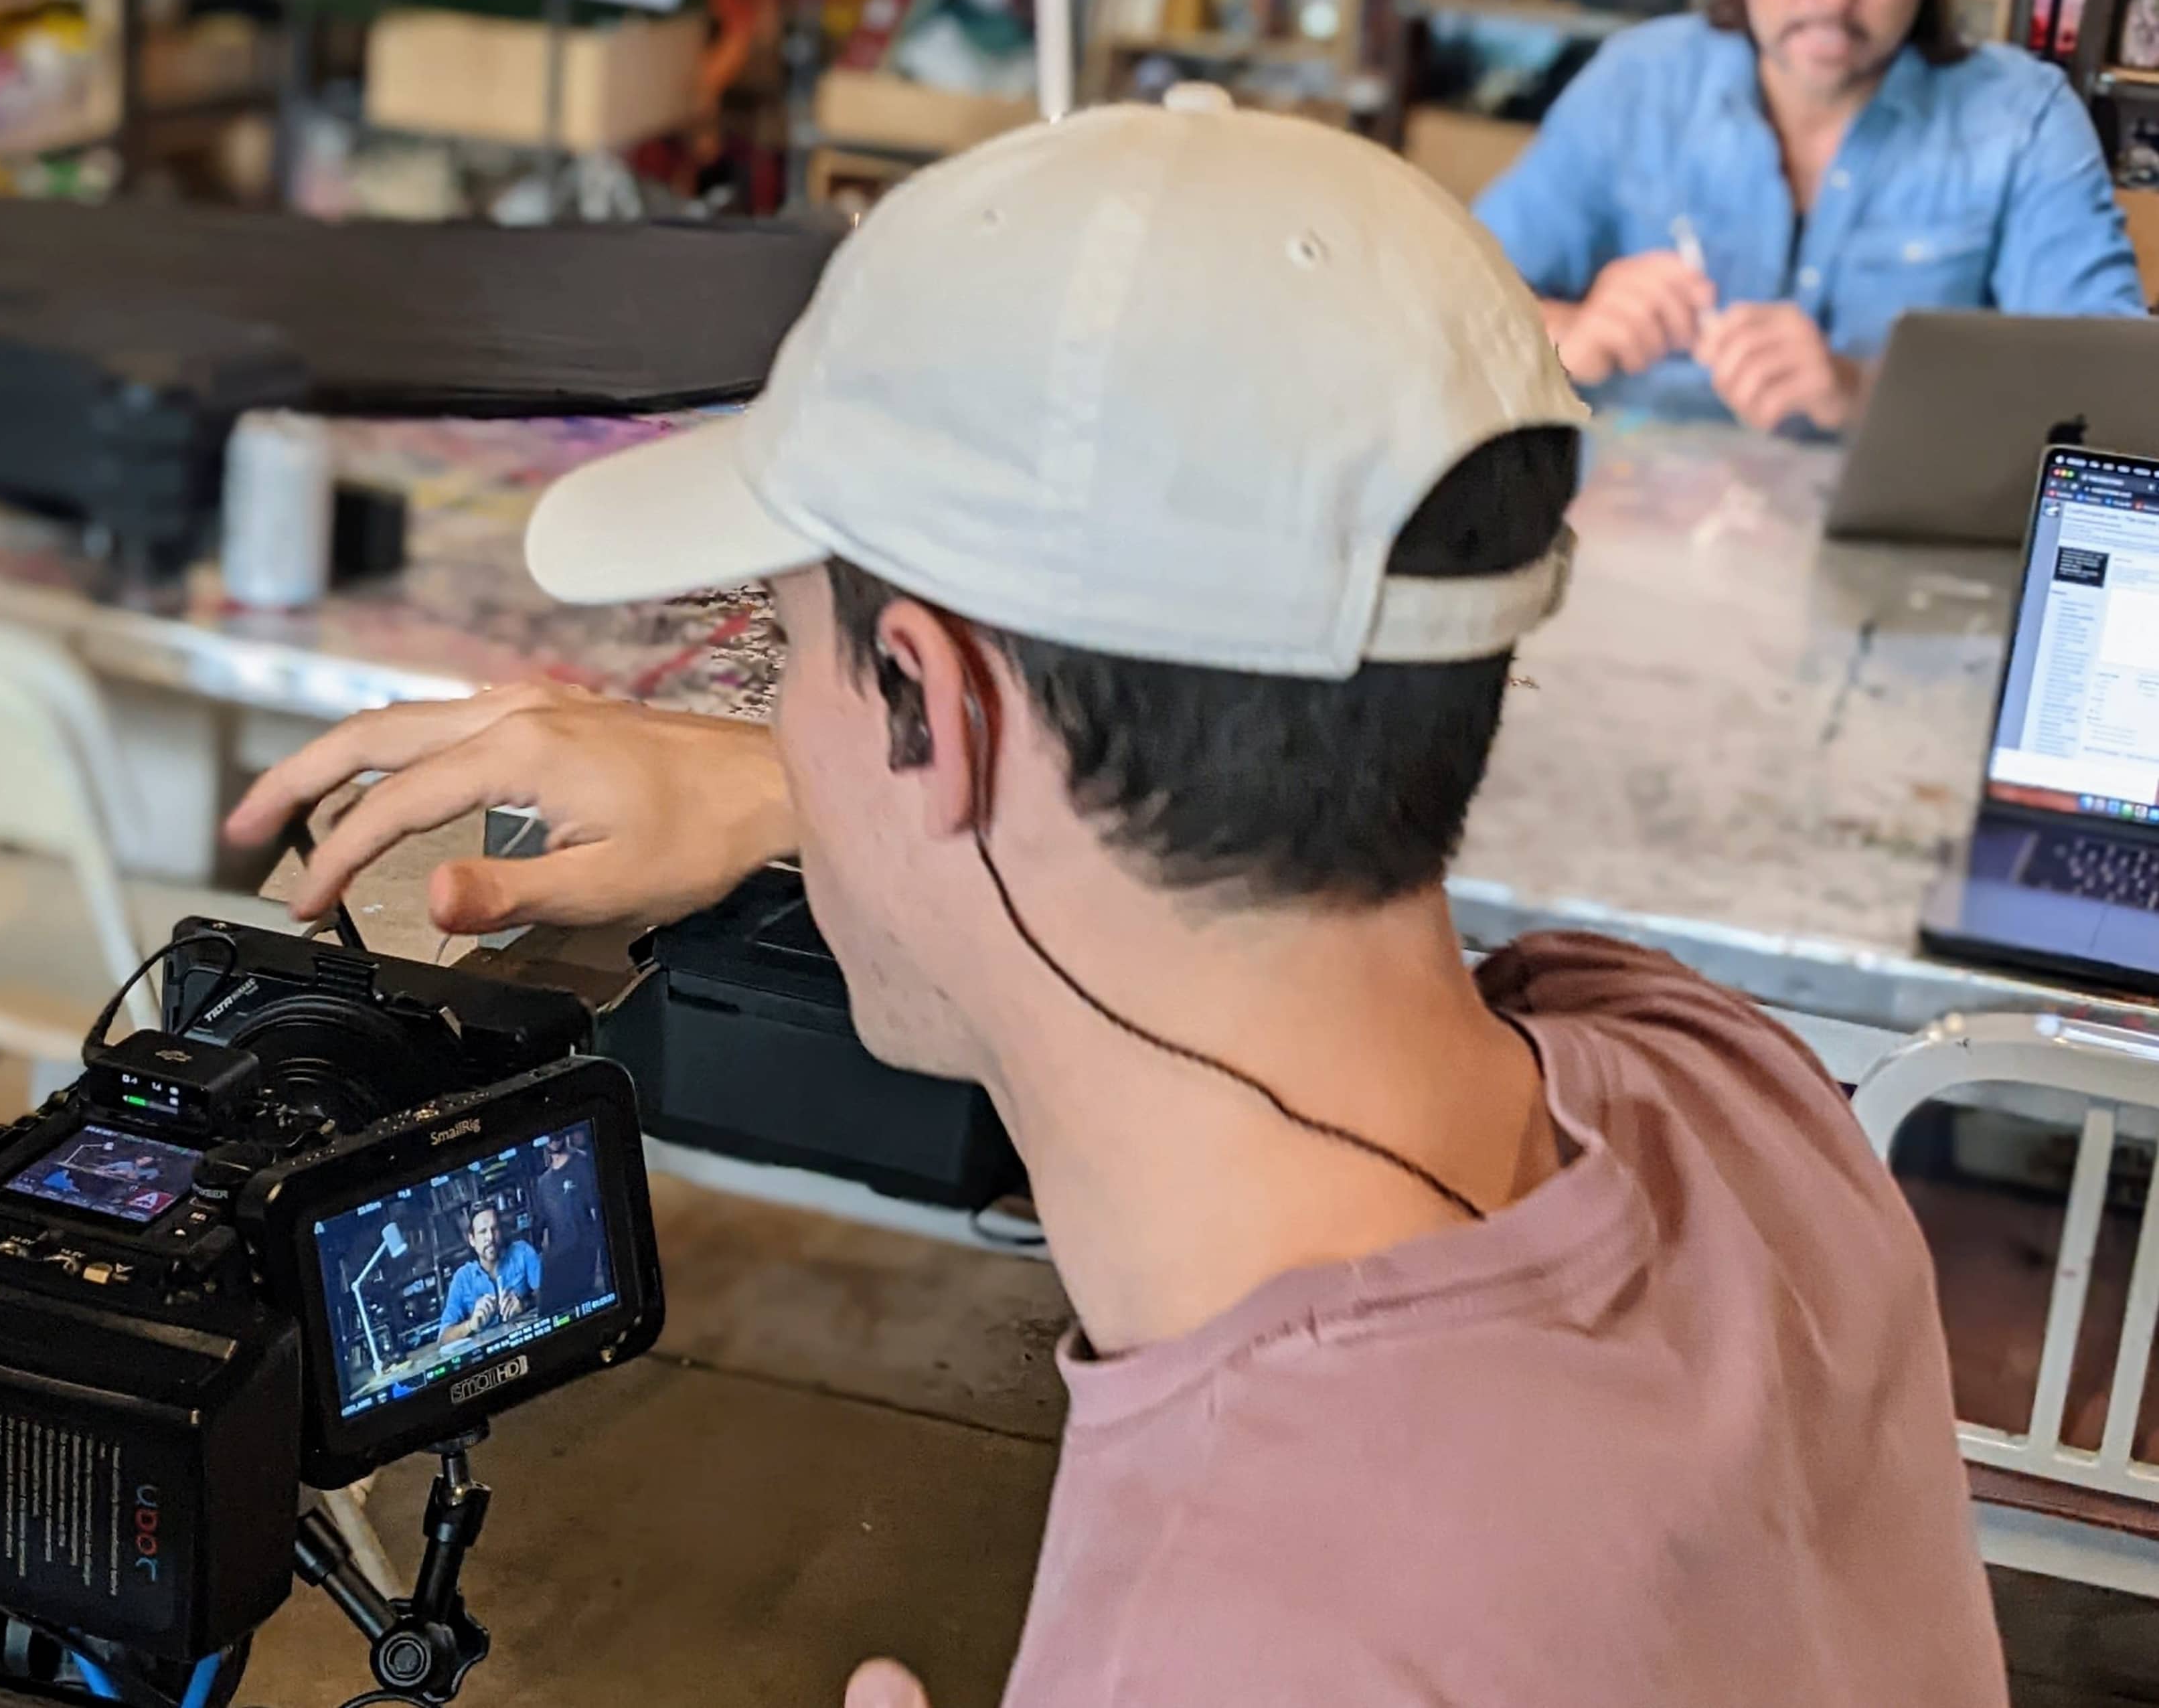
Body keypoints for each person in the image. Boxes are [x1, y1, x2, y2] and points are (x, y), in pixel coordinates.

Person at [228, 94, 2000, 1707]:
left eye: (783, 652)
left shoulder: (1223, 1634)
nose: (771, 713)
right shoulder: (1729, 1084)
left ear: (943, 711)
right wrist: (809, 780)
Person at [1476, 0, 2144, 432]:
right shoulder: (1638, 82)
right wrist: (1569, 334)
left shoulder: (2023, 119)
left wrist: (1866, 392)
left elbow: (2114, 395)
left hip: (1893, 531)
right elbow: (1447, 303)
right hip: (1631, 514)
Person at [438, 1205, 540, 1347]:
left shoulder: (523, 1252)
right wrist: (471, 1325)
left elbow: (552, 1294)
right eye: (483, 1232)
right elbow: (443, 1338)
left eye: (495, 1229)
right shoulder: (462, 1279)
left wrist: (525, 1304)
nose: (490, 1238)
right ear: (472, 1240)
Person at [532, 1132, 603, 1314]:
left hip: (588, 1264)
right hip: (562, 1270)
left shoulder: (583, 1164)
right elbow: (541, 1229)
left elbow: (598, 1215)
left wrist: (599, 1267)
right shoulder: (543, 1184)